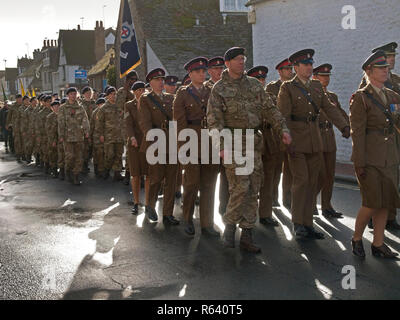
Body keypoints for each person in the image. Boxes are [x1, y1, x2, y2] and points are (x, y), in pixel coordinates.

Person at [207, 47, 292, 253]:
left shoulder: (254, 85)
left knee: (254, 187)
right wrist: (220, 146)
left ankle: (247, 232)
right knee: (240, 186)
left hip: (254, 143)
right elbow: (214, 121)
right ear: (227, 63)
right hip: (232, 143)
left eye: (243, 59)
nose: (241, 62)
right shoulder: (219, 89)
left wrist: (283, 129)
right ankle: (229, 226)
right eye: (237, 59)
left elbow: (269, 109)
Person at [277, 49, 350, 240]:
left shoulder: (317, 86)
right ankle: (298, 222)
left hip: (315, 141)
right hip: (296, 142)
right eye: (305, 64)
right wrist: (284, 134)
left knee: (312, 182)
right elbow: (281, 115)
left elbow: (330, 109)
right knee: (301, 181)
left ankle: (308, 223)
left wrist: (344, 126)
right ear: (296, 67)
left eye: (311, 64)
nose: (309, 67)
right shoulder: (287, 88)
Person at [350, 50, 400, 259]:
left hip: (390, 157)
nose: (385, 70)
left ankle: (378, 244)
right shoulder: (361, 99)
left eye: (386, 67)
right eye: (380, 68)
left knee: (386, 202)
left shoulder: (393, 96)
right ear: (369, 72)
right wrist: (359, 163)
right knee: (371, 202)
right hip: (370, 159)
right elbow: (358, 133)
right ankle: (357, 238)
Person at [173, 57, 220, 237]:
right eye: (198, 72)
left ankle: (207, 223)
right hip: (191, 142)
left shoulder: (212, 91)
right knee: (191, 184)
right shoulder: (183, 94)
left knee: (209, 185)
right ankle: (188, 219)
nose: (202, 74)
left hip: (211, 143)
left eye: (203, 71)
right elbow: (179, 124)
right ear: (190, 74)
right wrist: (183, 148)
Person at [139, 68, 180, 226]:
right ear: (150, 82)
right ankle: (150, 205)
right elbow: (145, 123)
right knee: (156, 178)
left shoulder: (171, 98)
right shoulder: (145, 99)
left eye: (162, 79)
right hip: (156, 142)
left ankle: (168, 213)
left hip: (172, 142)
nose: (161, 82)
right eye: (157, 79)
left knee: (171, 179)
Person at [312, 64, 349, 218]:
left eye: (327, 76)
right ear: (315, 77)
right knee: (318, 174)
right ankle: (311, 203)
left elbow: (340, 114)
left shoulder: (332, 96)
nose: (326, 79)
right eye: (322, 76)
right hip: (317, 135)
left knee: (329, 175)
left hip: (329, 137)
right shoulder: (311, 95)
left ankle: (327, 206)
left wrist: (348, 127)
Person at [248, 66, 281, 227]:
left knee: (268, 180)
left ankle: (266, 214)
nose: (261, 82)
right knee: (252, 181)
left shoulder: (270, 98)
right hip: (252, 143)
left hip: (269, 142)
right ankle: (249, 214)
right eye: (257, 79)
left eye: (263, 79)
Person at [266, 58, 294, 209]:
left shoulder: (294, 87)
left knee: (289, 168)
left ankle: (287, 198)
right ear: (280, 71)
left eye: (291, 69)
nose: (290, 71)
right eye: (287, 69)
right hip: (276, 133)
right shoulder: (272, 87)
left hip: (291, 131)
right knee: (275, 168)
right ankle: (272, 197)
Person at [125, 81, 150, 215]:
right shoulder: (129, 105)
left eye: (143, 89)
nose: (141, 92)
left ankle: (147, 203)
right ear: (134, 92)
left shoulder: (149, 103)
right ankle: (135, 201)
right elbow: (128, 123)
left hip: (147, 142)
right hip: (134, 143)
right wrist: (132, 137)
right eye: (138, 90)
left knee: (148, 174)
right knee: (135, 174)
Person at [58, 87, 90, 185]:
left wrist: (86, 131)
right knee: (70, 156)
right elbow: (61, 122)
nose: (73, 96)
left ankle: (76, 176)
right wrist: (61, 135)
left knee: (79, 157)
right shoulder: (63, 108)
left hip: (79, 136)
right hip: (68, 137)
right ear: (68, 95)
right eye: (71, 94)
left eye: (75, 94)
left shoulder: (80, 107)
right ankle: (68, 171)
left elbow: (85, 120)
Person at [95, 87, 125, 181]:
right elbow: (99, 123)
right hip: (109, 136)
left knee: (119, 154)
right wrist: (101, 135)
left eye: (115, 94)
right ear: (107, 96)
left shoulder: (120, 106)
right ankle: (107, 170)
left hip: (119, 135)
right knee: (110, 155)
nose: (113, 96)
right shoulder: (103, 108)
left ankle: (117, 173)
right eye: (111, 94)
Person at [81, 86, 96, 174]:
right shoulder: (81, 105)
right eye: (87, 93)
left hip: (94, 128)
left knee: (95, 148)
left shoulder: (94, 103)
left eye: (90, 93)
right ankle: (84, 165)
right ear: (83, 95)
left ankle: (98, 167)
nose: (88, 95)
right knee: (85, 149)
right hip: (85, 129)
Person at [90, 98, 106, 178]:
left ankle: (101, 170)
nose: (102, 106)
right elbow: (92, 125)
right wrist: (90, 136)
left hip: (105, 136)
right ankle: (98, 170)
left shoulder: (106, 111)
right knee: (97, 154)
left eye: (104, 104)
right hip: (96, 136)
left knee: (103, 154)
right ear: (98, 105)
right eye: (101, 104)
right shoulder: (95, 113)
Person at [46, 100, 61, 178]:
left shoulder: (63, 115)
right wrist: (53, 141)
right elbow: (49, 130)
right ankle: (54, 170)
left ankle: (62, 171)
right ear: (51, 108)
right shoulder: (49, 117)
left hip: (61, 139)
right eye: (55, 107)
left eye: (58, 106)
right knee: (53, 155)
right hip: (53, 139)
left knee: (62, 156)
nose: (56, 108)